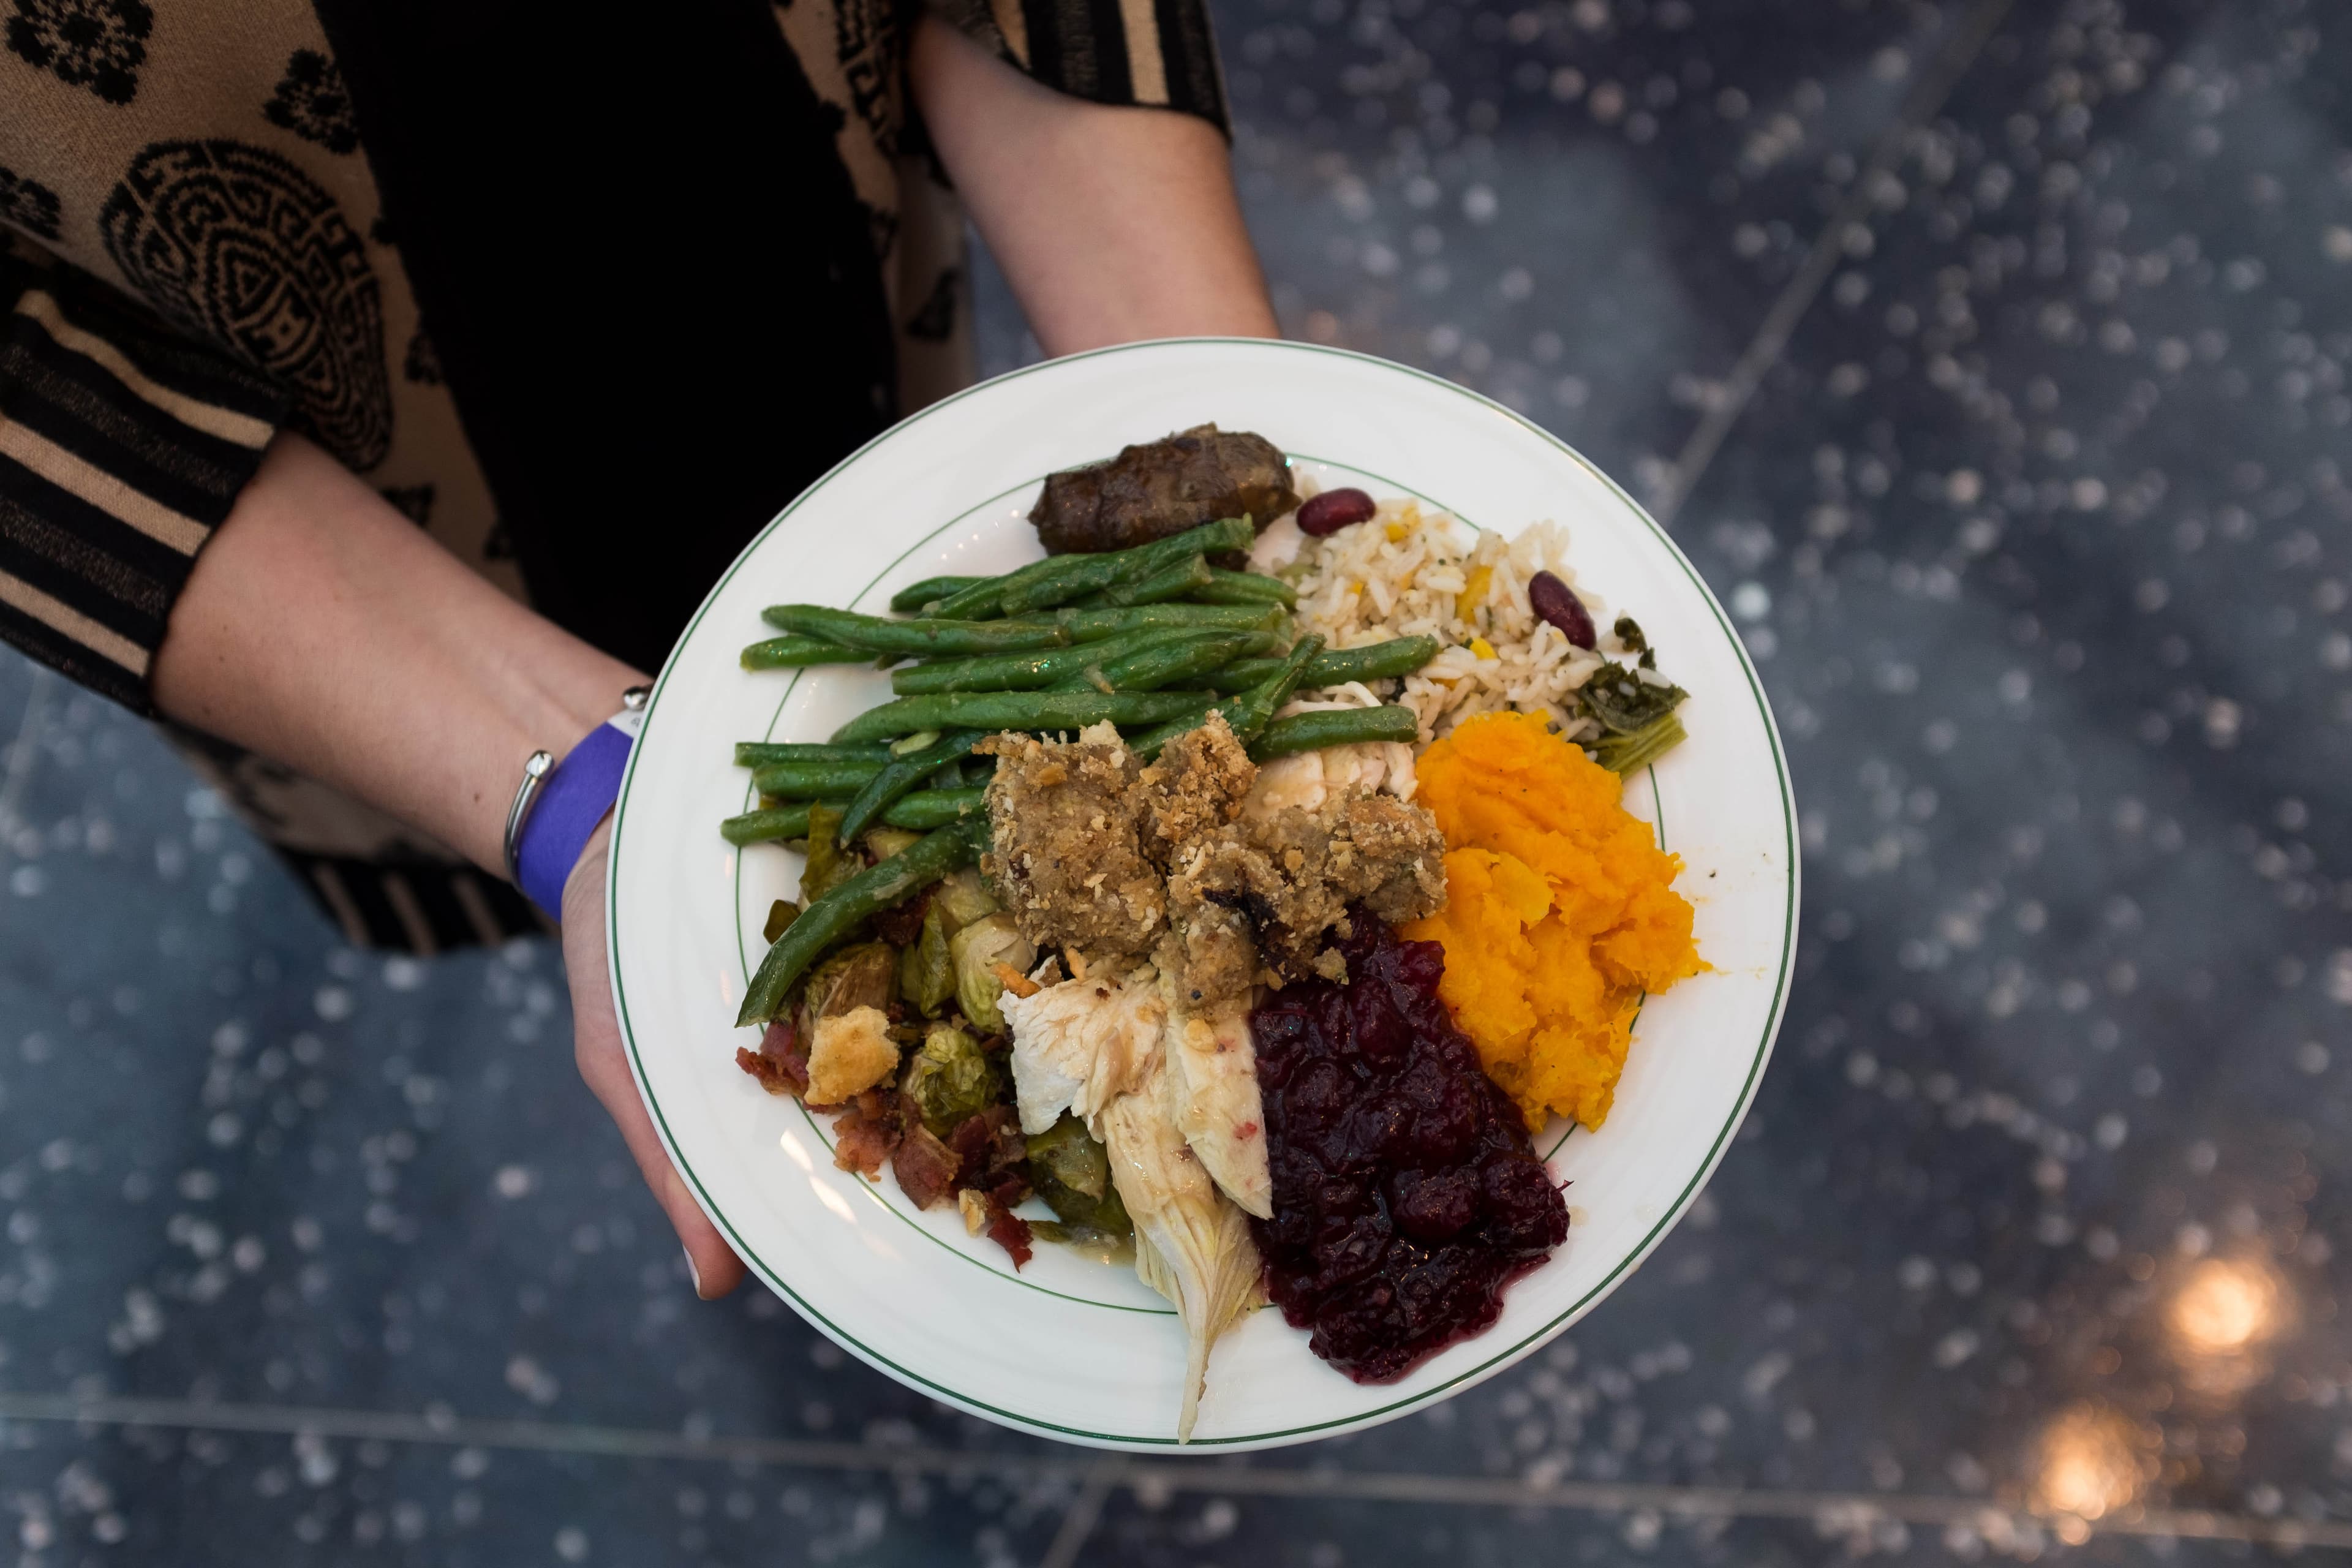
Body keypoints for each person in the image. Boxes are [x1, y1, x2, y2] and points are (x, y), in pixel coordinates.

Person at [0, 0, 1277, 1300]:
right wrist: (581, 796)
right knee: (699, 877)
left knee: (896, 572)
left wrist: (1228, 464)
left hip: (804, 206)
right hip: (338, 496)